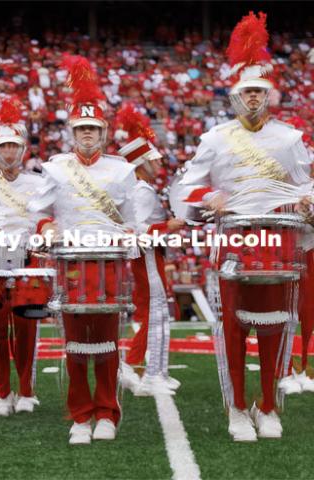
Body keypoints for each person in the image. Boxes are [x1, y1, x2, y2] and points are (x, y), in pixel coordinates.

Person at [178, 12, 312, 441]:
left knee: (275, 325)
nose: (253, 98)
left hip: (278, 242)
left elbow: (308, 183)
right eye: (246, 92)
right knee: (234, 330)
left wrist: (309, 201)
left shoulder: (290, 138)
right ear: (234, 96)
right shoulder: (215, 138)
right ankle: (237, 408)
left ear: (268, 96)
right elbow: (184, 189)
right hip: (234, 240)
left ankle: (269, 405)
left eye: (259, 91)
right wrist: (205, 199)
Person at [29, 55, 137, 445]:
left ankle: (107, 411)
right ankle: (79, 414)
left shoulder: (122, 169)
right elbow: (37, 213)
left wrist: (129, 237)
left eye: (93, 128)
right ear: (72, 132)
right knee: (74, 341)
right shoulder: (55, 167)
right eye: (81, 128)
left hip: (108, 263)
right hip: (71, 262)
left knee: (108, 340)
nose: (87, 134)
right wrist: (48, 227)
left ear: (103, 132)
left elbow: (133, 220)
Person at [0, 98, 47, 416]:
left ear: (22, 150)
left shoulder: (38, 182)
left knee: (26, 328)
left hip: (28, 260)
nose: (9, 153)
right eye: (3, 147)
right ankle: (0, 393)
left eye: (14, 147)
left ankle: (26, 391)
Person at [116, 104, 184, 396]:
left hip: (149, 256)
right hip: (147, 256)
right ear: (142, 162)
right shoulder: (141, 191)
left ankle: (151, 370)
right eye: (153, 159)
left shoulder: (142, 188)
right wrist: (169, 227)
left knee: (153, 311)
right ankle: (143, 370)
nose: (159, 163)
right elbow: (137, 231)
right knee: (156, 312)